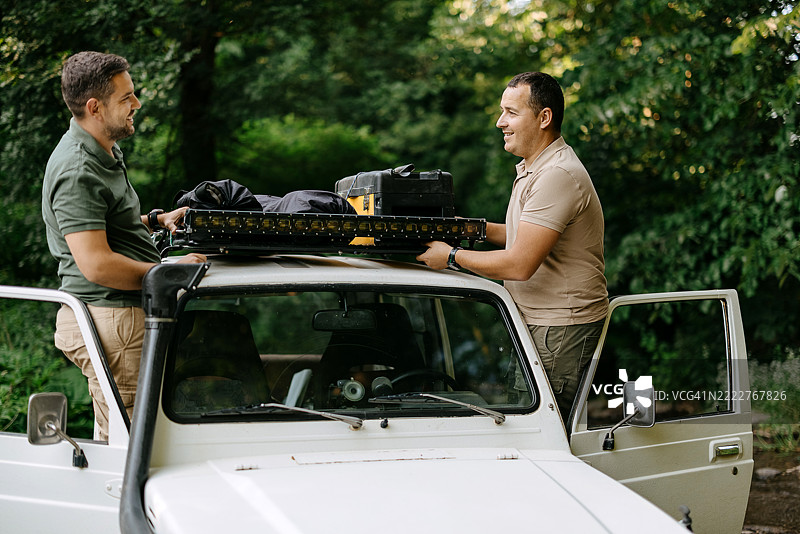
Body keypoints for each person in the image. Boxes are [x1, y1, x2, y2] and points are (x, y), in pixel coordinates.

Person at [417, 72, 608, 421]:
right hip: (539, 323)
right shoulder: (537, 168)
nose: (499, 122)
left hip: (559, 329)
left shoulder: (557, 175)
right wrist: (474, 229)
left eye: (510, 112)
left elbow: (520, 264)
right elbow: (529, 234)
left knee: (543, 432)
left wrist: (451, 257)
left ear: (544, 117)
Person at [42, 51, 206, 440]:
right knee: (133, 444)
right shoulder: (78, 168)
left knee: (120, 435)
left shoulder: (103, 151)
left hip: (117, 316)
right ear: (95, 107)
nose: (137, 103)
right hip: (112, 317)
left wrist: (153, 221)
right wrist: (168, 274)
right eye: (126, 97)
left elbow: (104, 225)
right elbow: (96, 264)